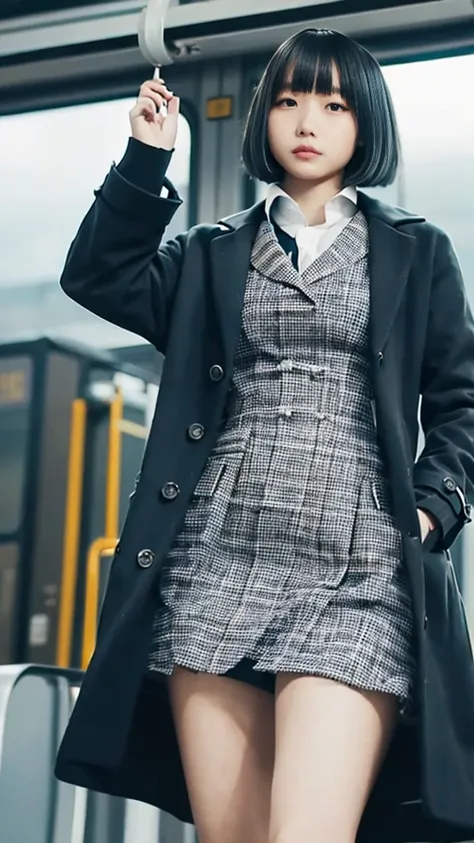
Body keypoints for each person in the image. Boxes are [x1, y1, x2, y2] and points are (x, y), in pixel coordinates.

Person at [55, 28, 474, 843]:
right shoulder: (212, 252)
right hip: (217, 557)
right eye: (287, 100)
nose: (307, 119)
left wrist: (429, 510)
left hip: (357, 570)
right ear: (263, 119)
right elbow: (99, 276)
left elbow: (465, 401)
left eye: (332, 102)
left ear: (365, 124)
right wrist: (146, 159)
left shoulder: (417, 250)